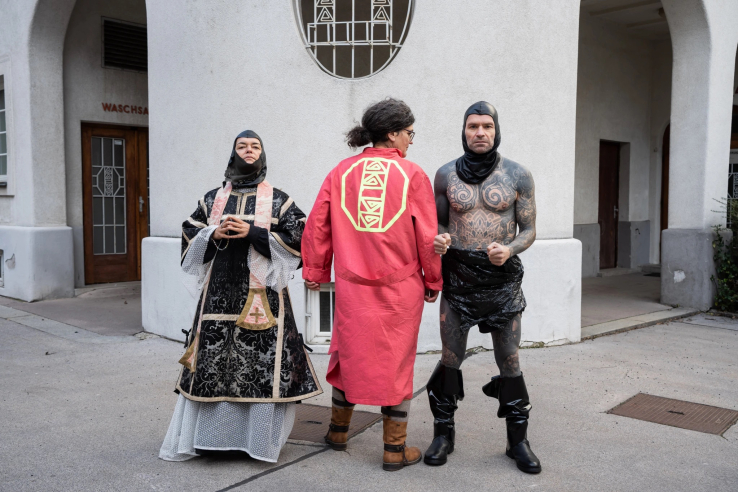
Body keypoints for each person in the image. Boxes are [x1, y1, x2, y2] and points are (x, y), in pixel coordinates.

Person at [159, 130, 322, 463]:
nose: (249, 151)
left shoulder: (279, 200)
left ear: (262, 154)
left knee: (260, 367)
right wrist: (211, 232)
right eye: (242, 146)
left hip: (264, 302)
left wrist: (253, 232)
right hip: (217, 298)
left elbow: (302, 235)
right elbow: (189, 231)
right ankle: (210, 440)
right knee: (215, 366)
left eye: (255, 146)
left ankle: (257, 442)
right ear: (233, 154)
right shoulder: (211, 199)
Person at [302, 98, 442, 471]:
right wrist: (433, 279)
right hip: (399, 291)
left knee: (347, 355)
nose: (411, 141)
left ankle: (337, 433)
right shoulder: (413, 175)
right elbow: (427, 236)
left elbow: (317, 226)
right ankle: (393, 450)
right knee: (396, 364)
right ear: (392, 134)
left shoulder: (341, 172)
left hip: (351, 289)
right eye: (409, 134)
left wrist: (315, 272)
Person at [424, 101, 541, 474]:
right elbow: (439, 224)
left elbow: (529, 230)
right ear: (464, 130)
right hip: (458, 278)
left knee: (509, 360)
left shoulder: (518, 175)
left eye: (486, 126)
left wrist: (508, 249)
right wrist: (439, 241)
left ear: (496, 130)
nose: (480, 132)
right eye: (473, 126)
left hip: (501, 280)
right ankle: (444, 434)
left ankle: (517, 441)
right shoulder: (444, 175)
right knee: (449, 358)